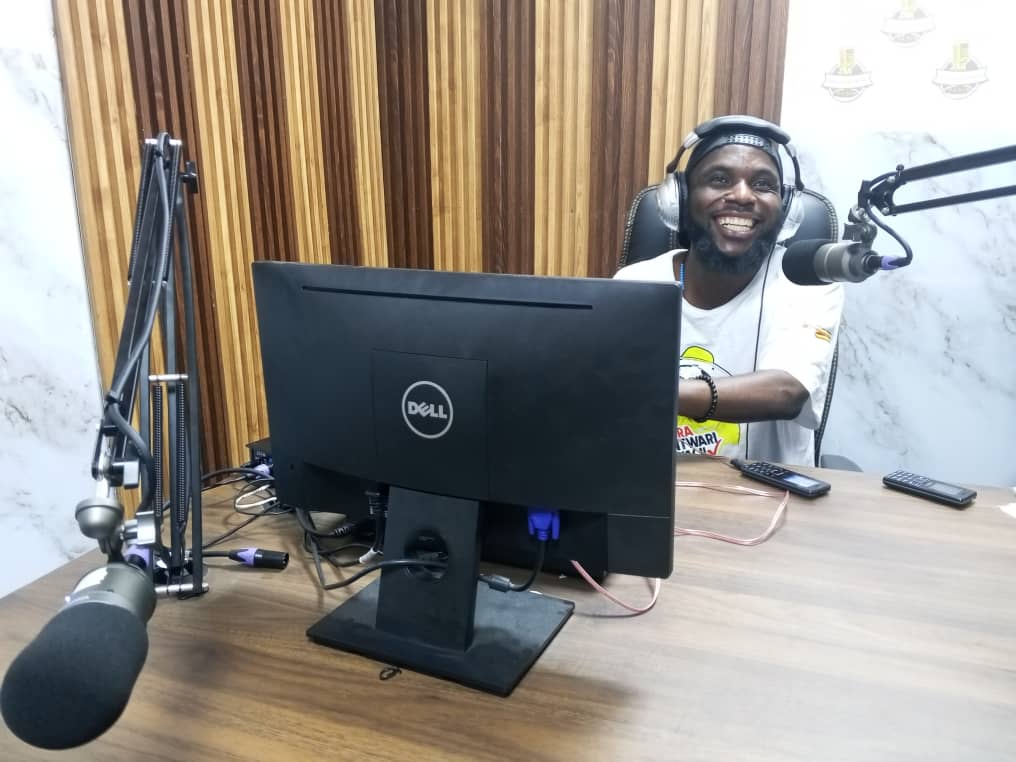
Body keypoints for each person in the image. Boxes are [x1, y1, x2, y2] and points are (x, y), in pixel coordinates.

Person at [614, 118, 843, 466]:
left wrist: (654, 393)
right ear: (681, 199)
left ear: (786, 209)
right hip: (651, 486)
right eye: (719, 179)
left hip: (768, 493)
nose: (742, 196)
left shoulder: (807, 282)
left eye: (763, 184)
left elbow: (788, 391)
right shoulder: (635, 283)